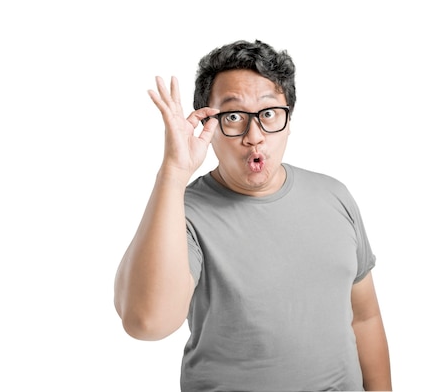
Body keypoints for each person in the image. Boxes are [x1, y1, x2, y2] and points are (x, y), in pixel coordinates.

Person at [114, 39, 392, 391]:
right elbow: (147, 322)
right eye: (232, 116)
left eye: (269, 113)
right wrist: (174, 172)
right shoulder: (182, 213)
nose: (255, 136)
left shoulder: (335, 195)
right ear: (207, 126)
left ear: (289, 119)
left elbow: (365, 317)